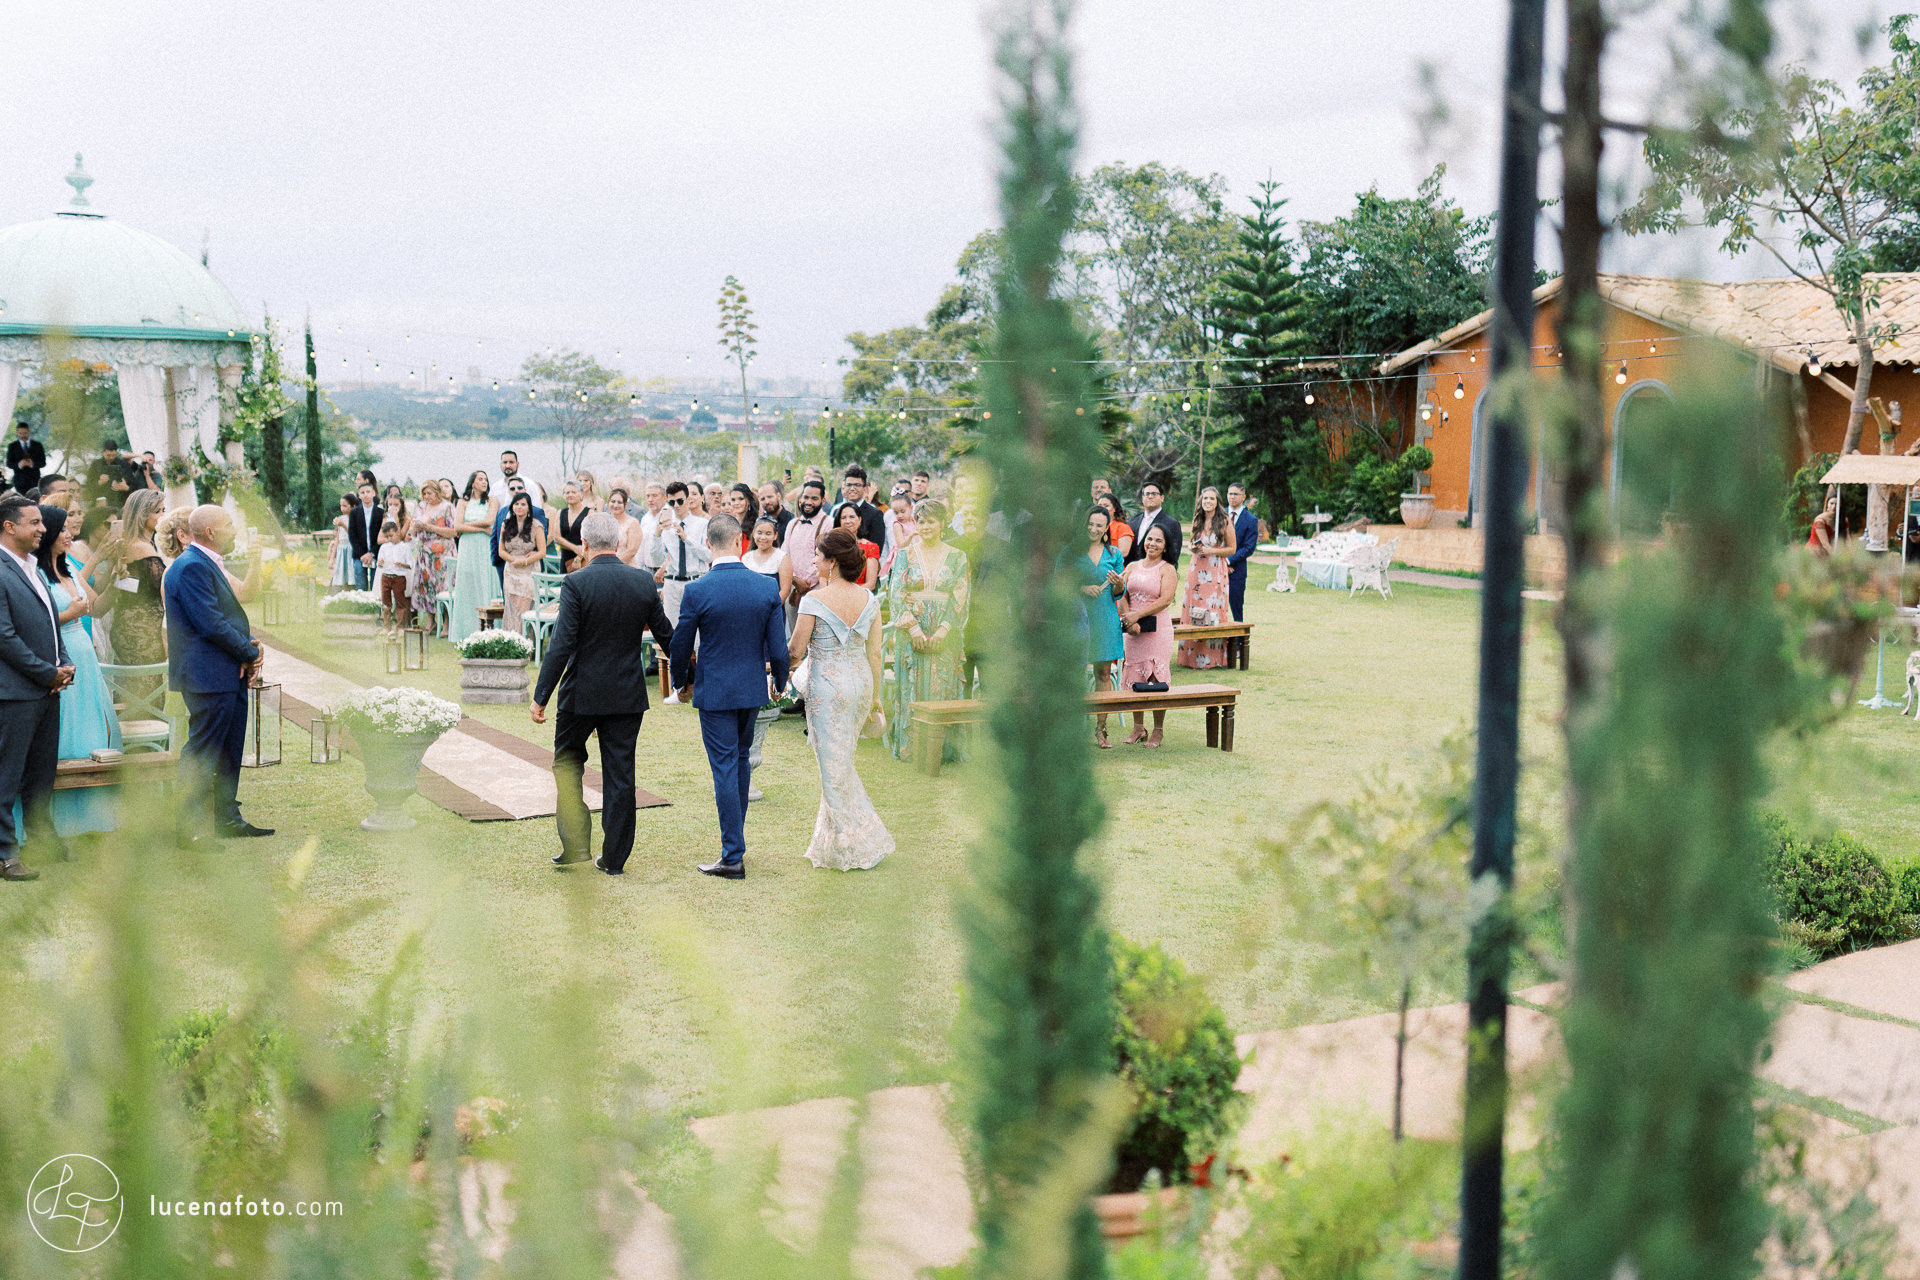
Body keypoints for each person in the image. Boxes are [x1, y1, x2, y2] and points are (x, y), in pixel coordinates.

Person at [531, 512, 674, 875]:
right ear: (618, 543)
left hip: (581, 692)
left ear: (584, 544)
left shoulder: (576, 582)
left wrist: (541, 695)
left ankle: (577, 845)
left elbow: (561, 644)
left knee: (566, 763)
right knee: (620, 773)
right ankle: (614, 859)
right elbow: (666, 635)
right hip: (626, 693)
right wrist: (690, 676)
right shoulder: (642, 581)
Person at [669, 513, 789, 879]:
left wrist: (680, 682)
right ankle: (734, 846)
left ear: (707, 544)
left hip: (717, 690)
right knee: (738, 759)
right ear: (741, 540)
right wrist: (780, 681)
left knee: (726, 766)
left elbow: (680, 646)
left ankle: (733, 854)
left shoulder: (698, 590)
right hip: (751, 688)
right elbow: (779, 648)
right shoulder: (765, 587)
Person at [788, 528, 893, 871]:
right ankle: (831, 843)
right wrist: (875, 697)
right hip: (860, 683)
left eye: (817, 555)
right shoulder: (869, 599)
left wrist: (783, 671)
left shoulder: (813, 601)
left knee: (833, 769)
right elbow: (874, 653)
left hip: (828, 690)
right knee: (841, 762)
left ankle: (859, 842)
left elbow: (796, 650)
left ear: (832, 562)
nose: (814, 560)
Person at [165, 505, 269, 842]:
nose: (235, 530)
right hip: (207, 675)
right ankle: (188, 827)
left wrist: (245, 648)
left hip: (225, 671)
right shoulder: (191, 566)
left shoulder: (204, 563)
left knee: (228, 748)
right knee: (202, 751)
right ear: (210, 532)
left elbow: (224, 617)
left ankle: (226, 818)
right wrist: (250, 653)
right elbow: (210, 624)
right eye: (228, 524)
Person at [35, 504, 119, 837]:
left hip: (86, 659)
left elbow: (96, 608)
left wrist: (117, 581)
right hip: (59, 659)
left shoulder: (69, 565)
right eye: (63, 530)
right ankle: (62, 822)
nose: (70, 534)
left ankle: (93, 819)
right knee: (65, 737)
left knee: (91, 735)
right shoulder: (37, 573)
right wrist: (69, 614)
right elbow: (34, 624)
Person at [0, 496, 72, 879]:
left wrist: (62, 661)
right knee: (7, 776)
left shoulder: (33, 567)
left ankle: (40, 842)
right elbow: (5, 637)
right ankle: (6, 855)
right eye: (34, 523)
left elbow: (49, 621)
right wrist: (47, 672)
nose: (43, 529)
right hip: (14, 692)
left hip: (46, 689)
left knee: (42, 774)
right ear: (10, 527)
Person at [884, 499, 969, 760]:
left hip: (945, 633)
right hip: (911, 632)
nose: (925, 526)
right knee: (912, 686)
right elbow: (896, 592)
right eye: (920, 521)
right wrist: (914, 629)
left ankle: (943, 751)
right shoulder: (905, 555)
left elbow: (961, 595)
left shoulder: (957, 556)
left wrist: (944, 630)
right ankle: (912, 749)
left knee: (943, 686)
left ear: (942, 523)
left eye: (931, 521)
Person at [1120, 526, 1178, 747]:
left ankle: (1158, 730)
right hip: (1134, 630)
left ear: (1165, 546)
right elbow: (1121, 593)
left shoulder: (1167, 569)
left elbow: (1165, 600)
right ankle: (1138, 727)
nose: (1152, 544)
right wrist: (1128, 618)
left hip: (1157, 630)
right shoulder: (1132, 566)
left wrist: (1138, 615)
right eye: (1149, 539)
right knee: (1135, 677)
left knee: (1156, 679)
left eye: (1158, 541)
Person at [1074, 506, 1127, 747]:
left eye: (1099, 525)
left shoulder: (1113, 553)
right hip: (1076, 617)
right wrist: (1082, 588)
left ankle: (1101, 729)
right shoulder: (1070, 551)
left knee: (1103, 673)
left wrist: (1118, 585)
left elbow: (1119, 592)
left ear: (1106, 529)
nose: (1093, 529)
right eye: (1090, 523)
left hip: (1105, 618)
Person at [102, 489, 167, 667]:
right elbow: (163, 586)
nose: (162, 516)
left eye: (163, 510)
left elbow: (130, 585)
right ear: (141, 515)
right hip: (138, 628)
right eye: (157, 511)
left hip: (142, 624)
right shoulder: (139, 547)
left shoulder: (143, 544)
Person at [1177, 486, 1236, 669]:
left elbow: (1232, 548)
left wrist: (1211, 551)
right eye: (1205, 499)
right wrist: (1193, 548)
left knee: (1211, 609)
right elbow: (1190, 543)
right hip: (1196, 569)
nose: (1207, 502)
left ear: (1217, 501)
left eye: (1211, 498)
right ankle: (1191, 658)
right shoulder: (1197, 520)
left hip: (1215, 571)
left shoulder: (1224, 521)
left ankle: (1212, 658)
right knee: (1194, 608)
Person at [448, 471, 498, 641]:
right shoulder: (463, 502)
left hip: (484, 547)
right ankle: (466, 630)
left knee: (485, 581)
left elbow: (489, 521)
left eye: (486, 479)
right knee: (468, 585)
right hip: (468, 547)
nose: (484, 482)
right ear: (472, 483)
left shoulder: (492, 501)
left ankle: (489, 629)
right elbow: (457, 527)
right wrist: (482, 529)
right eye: (480, 479)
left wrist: (467, 525)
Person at [645, 500, 710, 627]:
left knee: (697, 633)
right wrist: (658, 533)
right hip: (672, 583)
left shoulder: (702, 524)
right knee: (672, 630)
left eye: (680, 501)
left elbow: (708, 556)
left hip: (694, 580)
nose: (676, 505)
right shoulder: (664, 528)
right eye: (671, 503)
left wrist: (686, 538)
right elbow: (656, 559)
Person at [412, 480, 457, 635]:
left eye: (429, 493)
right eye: (424, 494)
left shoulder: (448, 507)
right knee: (427, 586)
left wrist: (431, 527)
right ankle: (431, 621)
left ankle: (446, 623)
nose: (426, 496)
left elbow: (454, 531)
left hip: (443, 551)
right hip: (425, 552)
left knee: (443, 586)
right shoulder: (421, 506)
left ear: (437, 492)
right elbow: (414, 527)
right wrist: (415, 527)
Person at [498, 491, 547, 630]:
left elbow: (542, 551)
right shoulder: (506, 524)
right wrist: (513, 560)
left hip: (529, 570)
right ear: (512, 507)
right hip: (511, 569)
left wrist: (525, 561)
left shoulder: (536, 525)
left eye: (523, 504)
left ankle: (526, 643)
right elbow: (501, 551)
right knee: (512, 607)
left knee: (523, 608)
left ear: (529, 507)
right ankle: (511, 642)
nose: (519, 507)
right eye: (517, 504)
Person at [491, 476, 550, 584]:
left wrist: (534, 554)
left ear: (525, 490)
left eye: (519, 487)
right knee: (508, 599)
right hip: (506, 564)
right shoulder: (502, 512)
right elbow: (494, 536)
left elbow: (543, 538)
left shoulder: (537, 512)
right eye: (512, 489)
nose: (516, 490)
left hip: (529, 564)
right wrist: (496, 561)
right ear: (508, 492)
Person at [784, 478, 828, 606]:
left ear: (823, 501)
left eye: (814, 498)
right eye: (805, 497)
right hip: (792, 586)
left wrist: (806, 583)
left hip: (818, 588)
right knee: (793, 626)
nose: (808, 502)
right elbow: (784, 555)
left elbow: (826, 558)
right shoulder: (792, 524)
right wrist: (795, 580)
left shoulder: (829, 523)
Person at [1223, 482, 1259, 622]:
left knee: (1236, 612)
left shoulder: (1250, 520)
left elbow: (1248, 548)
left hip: (1236, 572)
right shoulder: (1218, 515)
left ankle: (1238, 644)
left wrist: (1229, 561)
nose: (1232, 497)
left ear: (1243, 497)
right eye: (1230, 494)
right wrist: (1221, 562)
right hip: (1215, 569)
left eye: (1235, 494)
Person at [1126, 481, 1183, 568]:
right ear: (1142, 498)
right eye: (1147, 494)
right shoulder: (1132, 521)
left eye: (1154, 494)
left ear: (1162, 497)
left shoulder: (1172, 523)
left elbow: (1173, 554)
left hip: (1156, 573)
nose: (1150, 496)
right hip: (1132, 573)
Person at [743, 515, 793, 610]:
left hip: (773, 611)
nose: (763, 537)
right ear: (754, 534)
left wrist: (770, 610)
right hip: (749, 610)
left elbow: (785, 591)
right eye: (759, 533)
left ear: (775, 536)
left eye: (768, 533)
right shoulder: (746, 558)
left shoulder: (782, 557)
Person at [375, 522, 416, 631]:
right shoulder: (384, 547)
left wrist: (402, 564)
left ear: (397, 532)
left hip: (399, 578)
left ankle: (400, 627)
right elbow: (379, 562)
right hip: (386, 577)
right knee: (386, 603)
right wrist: (380, 563)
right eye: (386, 536)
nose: (389, 539)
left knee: (400, 602)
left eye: (391, 536)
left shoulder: (405, 547)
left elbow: (411, 564)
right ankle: (386, 626)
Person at [345, 479, 384, 589]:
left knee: (375, 585)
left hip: (376, 554)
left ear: (373, 493)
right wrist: (363, 554)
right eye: (362, 493)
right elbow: (352, 535)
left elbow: (382, 535)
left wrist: (371, 553)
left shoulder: (381, 513)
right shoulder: (354, 513)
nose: (365, 495)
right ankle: (361, 605)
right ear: (359, 496)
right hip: (359, 555)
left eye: (368, 492)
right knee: (360, 585)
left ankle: (375, 605)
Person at [835, 464, 886, 547]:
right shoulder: (839, 511)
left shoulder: (875, 514)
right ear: (844, 487)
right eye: (849, 485)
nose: (852, 488)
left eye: (857, 485)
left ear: (865, 488)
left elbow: (876, 548)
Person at [834, 503, 881, 585]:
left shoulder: (870, 547)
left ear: (859, 520)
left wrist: (850, 595)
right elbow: (824, 577)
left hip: (859, 595)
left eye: (852, 517)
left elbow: (870, 584)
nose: (847, 521)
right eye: (843, 518)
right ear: (839, 521)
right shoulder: (832, 545)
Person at [552, 480, 590, 572]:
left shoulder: (589, 513)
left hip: (584, 559)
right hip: (565, 558)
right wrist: (575, 548)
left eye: (574, 492)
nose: (570, 495)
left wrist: (579, 557)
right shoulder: (560, 513)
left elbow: (591, 539)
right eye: (567, 492)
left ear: (581, 494)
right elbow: (557, 537)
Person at [881, 485, 916, 579]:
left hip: (914, 555)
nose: (899, 515)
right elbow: (901, 545)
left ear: (911, 508)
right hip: (903, 558)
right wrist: (911, 535)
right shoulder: (897, 525)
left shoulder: (913, 521)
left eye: (903, 511)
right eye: (896, 512)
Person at [86, 442, 132, 507]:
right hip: (101, 504)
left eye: (113, 455)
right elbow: (88, 485)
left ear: (116, 452)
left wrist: (127, 488)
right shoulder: (95, 465)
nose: (111, 458)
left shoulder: (124, 464)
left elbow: (134, 485)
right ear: (103, 452)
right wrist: (99, 482)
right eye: (108, 455)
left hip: (121, 503)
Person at [607, 487, 644, 564]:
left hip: (625, 567)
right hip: (605, 566)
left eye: (619, 502)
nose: (615, 505)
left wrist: (613, 564)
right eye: (613, 501)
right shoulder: (604, 521)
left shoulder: (632, 523)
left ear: (625, 504)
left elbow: (632, 551)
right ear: (608, 502)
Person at [8, 422, 46, 495]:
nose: (23, 435)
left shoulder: (38, 445)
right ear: (17, 432)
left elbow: (43, 463)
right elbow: (9, 464)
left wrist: (33, 464)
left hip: (35, 481)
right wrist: (19, 465)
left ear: (29, 431)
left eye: (25, 433)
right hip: (19, 481)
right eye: (20, 433)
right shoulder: (12, 446)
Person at [1097, 492, 1135, 560]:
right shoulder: (1092, 526)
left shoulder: (1122, 527)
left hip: (1113, 567)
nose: (1102, 508)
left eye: (1106, 506)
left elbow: (1123, 552)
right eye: (1100, 505)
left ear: (1114, 508)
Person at [329, 493, 355, 586]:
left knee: (351, 577)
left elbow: (353, 534)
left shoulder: (355, 518)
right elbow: (337, 539)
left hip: (351, 549)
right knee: (341, 577)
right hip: (341, 549)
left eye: (345, 506)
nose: (342, 508)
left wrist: (343, 525)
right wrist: (332, 558)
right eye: (341, 506)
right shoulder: (340, 518)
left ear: (353, 506)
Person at [757, 479, 792, 545]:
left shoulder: (792, 521)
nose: (767, 501)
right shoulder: (759, 522)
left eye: (770, 497)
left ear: (778, 496)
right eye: (763, 499)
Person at [727, 483, 759, 554]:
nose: (736, 503)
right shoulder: (729, 524)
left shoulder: (757, 524)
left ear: (748, 501)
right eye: (733, 500)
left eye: (741, 499)